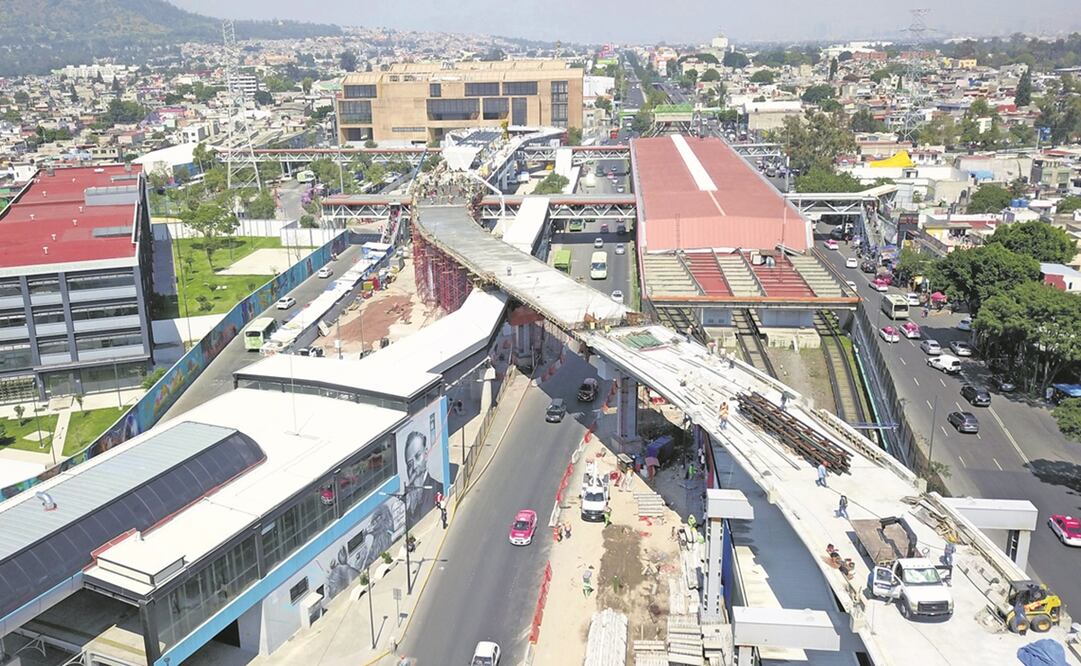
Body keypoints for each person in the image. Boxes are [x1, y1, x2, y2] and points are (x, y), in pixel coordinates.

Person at [403, 431, 441, 526]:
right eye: (410, 464)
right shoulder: (407, 501)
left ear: (426, 454)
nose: (415, 466)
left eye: (418, 456)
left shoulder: (438, 488)